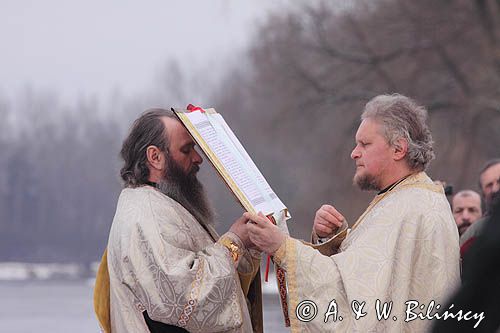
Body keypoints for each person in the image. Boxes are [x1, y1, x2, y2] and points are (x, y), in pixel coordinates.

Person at [246, 94, 460, 332]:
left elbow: (354, 303)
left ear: (399, 148)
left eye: (365, 144)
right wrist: (333, 239)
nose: (354, 153)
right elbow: (367, 278)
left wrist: (281, 247)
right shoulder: (407, 197)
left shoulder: (408, 208)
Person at [93, 109, 262, 333]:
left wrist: (246, 245)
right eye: (186, 149)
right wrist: (234, 241)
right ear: (155, 157)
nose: (198, 158)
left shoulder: (163, 204)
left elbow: (214, 280)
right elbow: (185, 301)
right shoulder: (147, 215)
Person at [459, 158, 500, 255]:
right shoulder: (474, 232)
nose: (495, 189)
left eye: (499, 181)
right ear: (483, 194)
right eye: (489, 185)